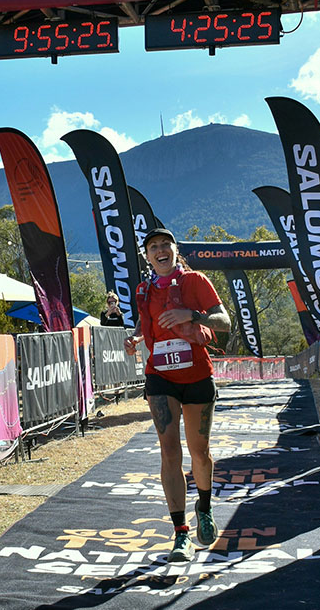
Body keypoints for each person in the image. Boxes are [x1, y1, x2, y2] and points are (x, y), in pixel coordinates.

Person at [124, 227, 230, 563]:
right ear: (147, 256)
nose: (159, 251)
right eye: (153, 247)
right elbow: (150, 324)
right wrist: (136, 338)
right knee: (169, 452)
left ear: (175, 249)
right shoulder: (143, 290)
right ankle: (180, 533)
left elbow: (224, 321)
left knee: (200, 452)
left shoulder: (195, 281)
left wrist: (193, 315)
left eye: (164, 245)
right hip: (160, 378)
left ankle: (205, 507)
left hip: (197, 376)